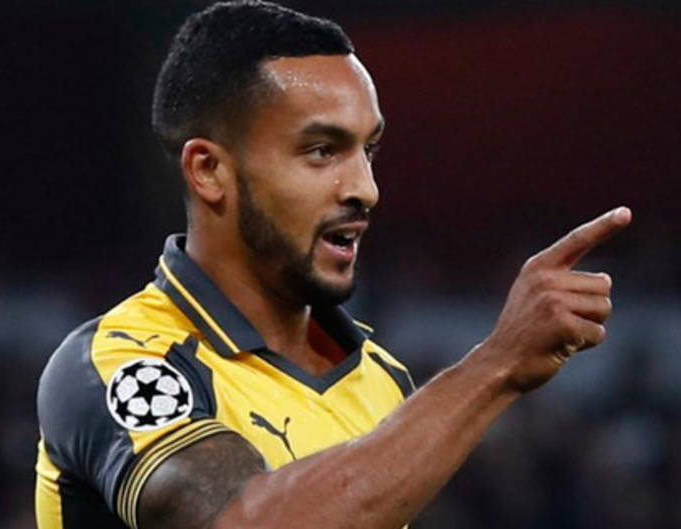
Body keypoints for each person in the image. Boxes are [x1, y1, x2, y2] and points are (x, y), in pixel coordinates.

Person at [34, 2, 632, 528]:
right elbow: (240, 522)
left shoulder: (381, 380)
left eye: (368, 150)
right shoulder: (117, 362)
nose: (366, 189)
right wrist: (497, 364)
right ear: (209, 171)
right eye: (322, 151)